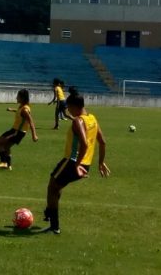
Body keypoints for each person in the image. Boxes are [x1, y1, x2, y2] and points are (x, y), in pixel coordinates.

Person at [42, 94, 110, 234]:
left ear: (73, 106)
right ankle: (49, 211)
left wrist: (76, 165)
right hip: (86, 165)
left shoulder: (78, 122)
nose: (68, 110)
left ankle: (54, 225)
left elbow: (84, 143)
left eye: (69, 107)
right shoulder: (92, 118)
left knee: (52, 187)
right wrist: (101, 162)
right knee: (57, 185)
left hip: (72, 162)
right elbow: (102, 142)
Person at [0, 89, 38, 170]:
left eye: (18, 96)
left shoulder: (25, 109)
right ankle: (9, 165)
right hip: (16, 130)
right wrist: (12, 110)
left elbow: (31, 122)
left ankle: (4, 162)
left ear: (22, 98)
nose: (16, 98)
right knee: (7, 146)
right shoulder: (22, 107)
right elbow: (19, 112)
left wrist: (34, 135)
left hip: (17, 132)